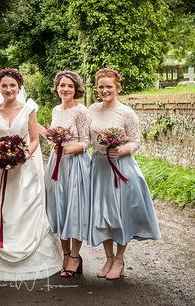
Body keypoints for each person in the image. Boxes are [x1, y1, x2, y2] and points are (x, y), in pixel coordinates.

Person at [0, 68, 61, 281]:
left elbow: (33, 140)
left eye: (12, 85)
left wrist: (21, 157)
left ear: (19, 87)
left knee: (25, 208)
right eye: (4, 86)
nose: (9, 89)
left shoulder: (29, 109)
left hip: (25, 170)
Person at [88, 67, 161, 280]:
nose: (104, 90)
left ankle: (119, 259)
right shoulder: (92, 109)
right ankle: (108, 258)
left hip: (122, 166)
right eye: (101, 87)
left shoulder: (127, 112)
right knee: (103, 214)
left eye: (109, 86)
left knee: (120, 214)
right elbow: (86, 136)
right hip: (100, 166)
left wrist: (121, 150)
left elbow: (136, 141)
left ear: (117, 87)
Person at [44, 71, 91, 277]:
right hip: (57, 164)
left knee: (75, 209)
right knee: (59, 207)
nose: (65, 89)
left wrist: (71, 149)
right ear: (57, 87)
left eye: (70, 86)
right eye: (62, 85)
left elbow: (86, 140)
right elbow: (54, 139)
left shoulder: (81, 111)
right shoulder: (56, 110)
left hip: (75, 164)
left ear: (76, 89)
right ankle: (64, 253)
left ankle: (74, 256)